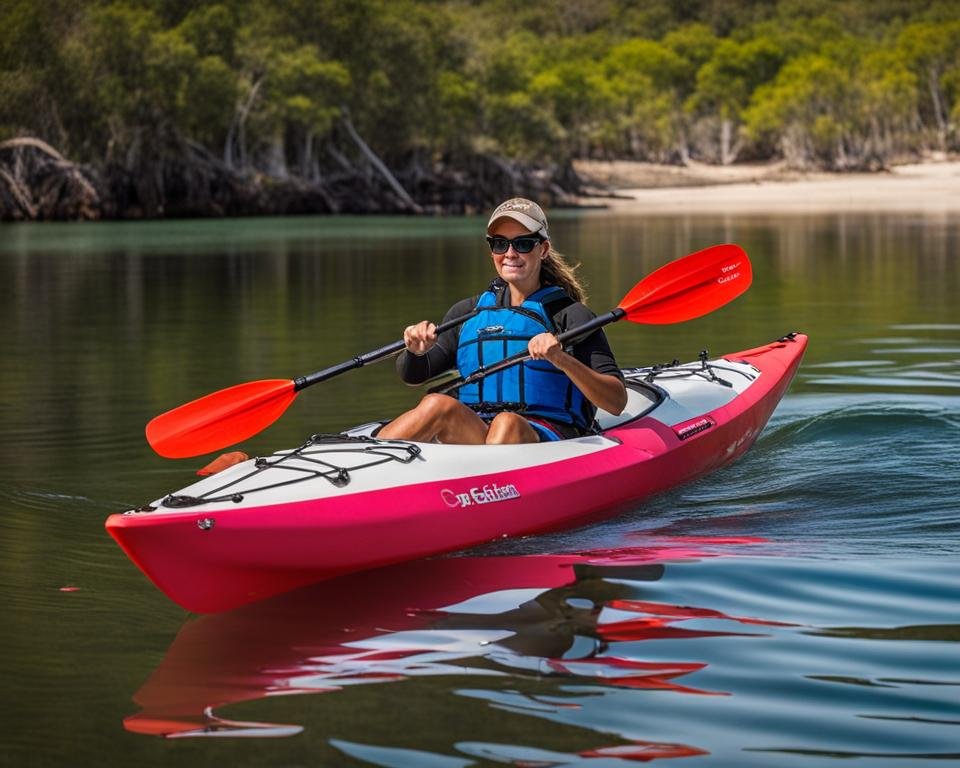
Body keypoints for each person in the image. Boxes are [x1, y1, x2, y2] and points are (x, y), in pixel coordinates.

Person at [378, 198, 627, 445]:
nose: (510, 253)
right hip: (478, 432)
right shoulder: (467, 313)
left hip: (550, 436)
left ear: (543, 249)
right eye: (500, 244)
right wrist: (415, 351)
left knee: (507, 423)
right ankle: (368, 467)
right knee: (436, 404)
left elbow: (616, 402)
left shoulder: (570, 315)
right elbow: (413, 376)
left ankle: (487, 482)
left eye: (523, 244)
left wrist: (561, 359)